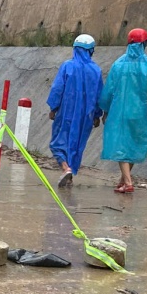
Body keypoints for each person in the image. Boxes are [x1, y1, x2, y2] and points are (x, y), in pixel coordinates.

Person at [99, 28, 147, 193]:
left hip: (120, 112)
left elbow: (108, 91)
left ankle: (128, 182)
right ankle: (123, 181)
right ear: (144, 44)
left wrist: (105, 112)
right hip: (141, 113)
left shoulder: (118, 64)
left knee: (121, 146)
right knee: (133, 145)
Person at [45, 33, 103, 187]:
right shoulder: (96, 70)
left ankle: (66, 168)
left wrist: (53, 108)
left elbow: (57, 88)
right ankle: (69, 176)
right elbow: (99, 95)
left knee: (58, 142)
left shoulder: (67, 66)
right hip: (86, 116)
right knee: (77, 145)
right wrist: (97, 115)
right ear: (91, 50)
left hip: (67, 112)